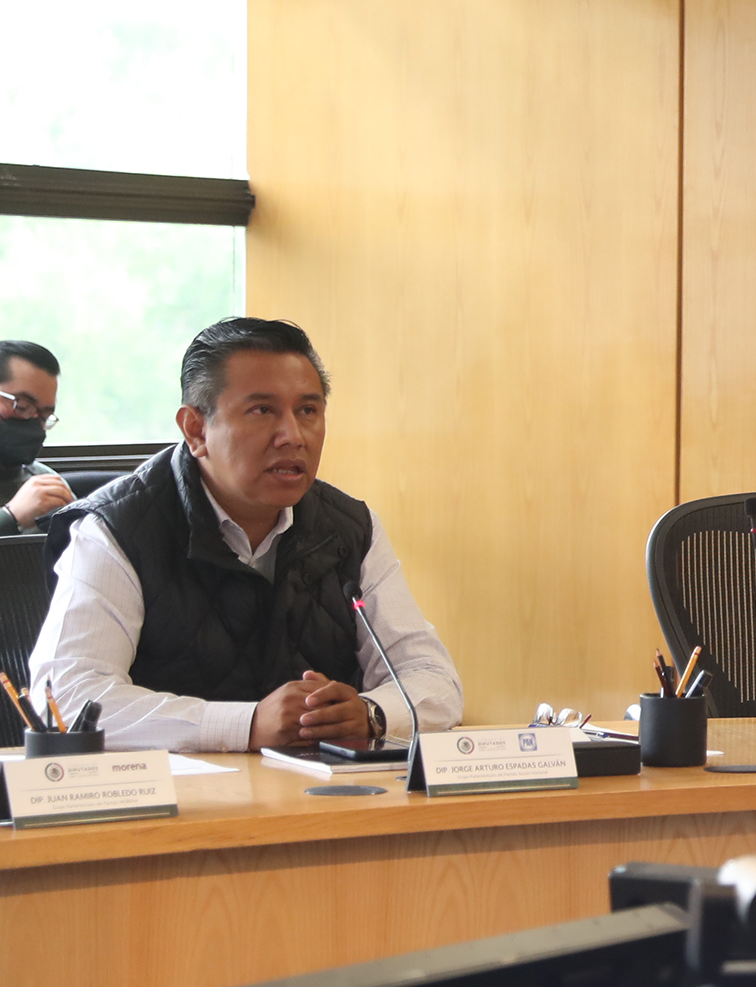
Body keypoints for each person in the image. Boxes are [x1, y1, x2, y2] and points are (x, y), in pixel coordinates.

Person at [28, 317, 462, 753]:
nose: (293, 436)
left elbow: (433, 679)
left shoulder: (349, 526)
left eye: (308, 411)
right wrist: (245, 724)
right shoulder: (117, 529)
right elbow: (66, 699)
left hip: (315, 788)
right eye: (263, 411)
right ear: (196, 429)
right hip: (174, 791)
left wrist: (371, 714)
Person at [0, 340, 70, 536]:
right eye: (22, 407)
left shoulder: (45, 483)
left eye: (44, 416)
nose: (33, 424)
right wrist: (10, 516)